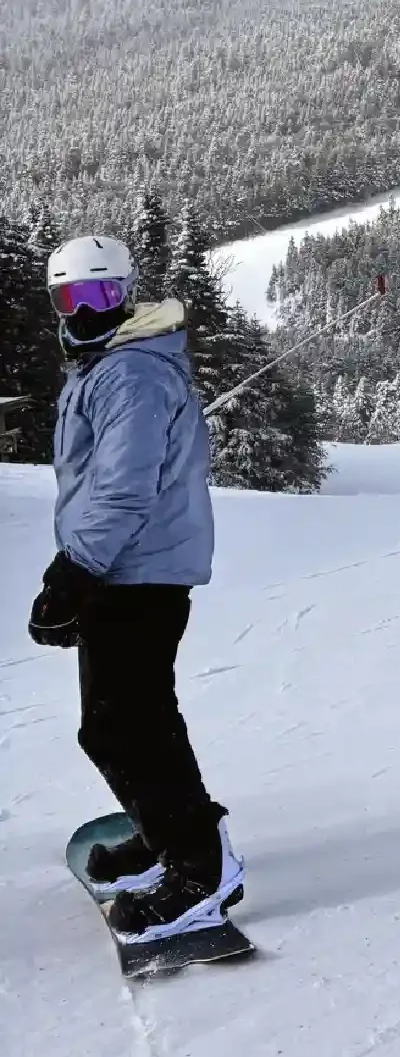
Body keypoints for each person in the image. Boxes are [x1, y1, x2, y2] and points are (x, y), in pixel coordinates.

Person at [27, 235, 243, 945]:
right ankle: (164, 834)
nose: (85, 311)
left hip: (139, 568)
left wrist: (73, 573)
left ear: (125, 293)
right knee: (116, 723)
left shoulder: (131, 375)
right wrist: (81, 574)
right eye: (71, 299)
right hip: (122, 566)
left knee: (133, 723)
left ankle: (198, 869)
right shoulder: (107, 365)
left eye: (101, 296)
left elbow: (123, 485)